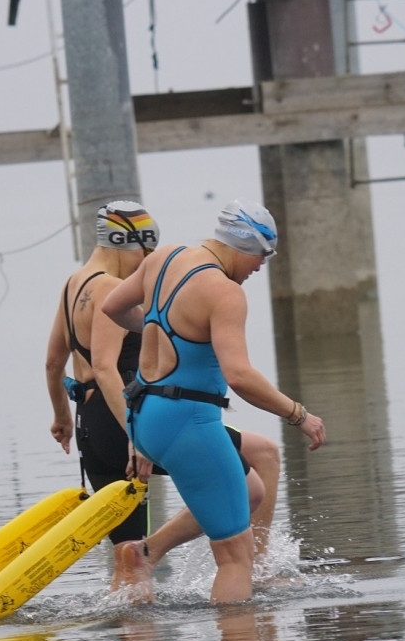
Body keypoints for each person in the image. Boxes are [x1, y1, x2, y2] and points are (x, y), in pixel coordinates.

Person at [44, 201, 281, 597]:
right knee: (259, 467)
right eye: (144, 250)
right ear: (124, 242)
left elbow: (53, 363)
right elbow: (105, 367)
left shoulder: (74, 284)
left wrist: (62, 418)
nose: (148, 261)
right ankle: (250, 568)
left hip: (89, 424)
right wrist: (134, 438)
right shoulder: (105, 285)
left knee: (129, 564)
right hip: (125, 419)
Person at [102, 200, 326, 603]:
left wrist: (164, 328)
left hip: (144, 416)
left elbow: (113, 306)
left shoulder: (165, 257)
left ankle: (144, 553)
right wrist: (298, 415)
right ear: (244, 244)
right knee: (234, 557)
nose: (260, 266)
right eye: (262, 255)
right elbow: (240, 377)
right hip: (187, 424)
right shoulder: (224, 293)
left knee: (250, 491)